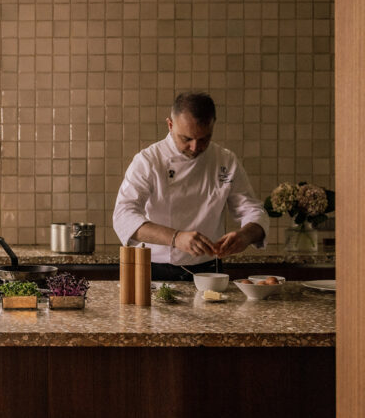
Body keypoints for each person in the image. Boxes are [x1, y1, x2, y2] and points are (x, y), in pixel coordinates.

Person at [113, 92, 269, 280]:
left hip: (209, 271)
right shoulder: (148, 160)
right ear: (170, 125)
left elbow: (253, 210)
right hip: (153, 270)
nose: (195, 147)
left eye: (204, 139)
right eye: (186, 139)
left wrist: (245, 235)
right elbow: (123, 216)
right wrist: (176, 238)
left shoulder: (226, 160)